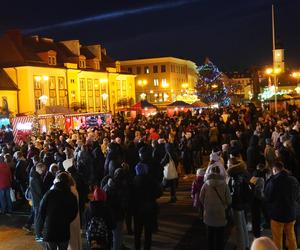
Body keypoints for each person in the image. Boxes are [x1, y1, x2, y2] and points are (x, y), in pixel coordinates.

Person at [36, 172, 78, 250]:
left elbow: (41, 211)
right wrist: (66, 220)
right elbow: (74, 213)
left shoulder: (49, 193)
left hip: (50, 229)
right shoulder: (71, 196)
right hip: (64, 230)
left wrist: (41, 226)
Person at [265, 161, 300, 250]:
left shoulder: (273, 181)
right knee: (291, 237)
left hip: (277, 215)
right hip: (291, 213)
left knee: (277, 239)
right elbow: (296, 196)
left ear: (275, 169)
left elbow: (268, 197)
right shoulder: (294, 180)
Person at [200, 165, 231, 250]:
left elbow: (201, 197)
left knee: (210, 235)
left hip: (208, 213)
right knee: (220, 236)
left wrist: (206, 205)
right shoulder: (224, 184)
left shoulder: (206, 184)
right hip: (220, 212)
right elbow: (229, 200)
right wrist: (225, 206)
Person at [132, 156, 160, 250]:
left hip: (137, 210)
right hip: (149, 209)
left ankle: (137, 248)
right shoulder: (151, 180)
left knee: (137, 233)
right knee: (148, 233)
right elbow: (158, 192)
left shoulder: (134, 181)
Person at [227, 150, 251, 250]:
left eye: (228, 163)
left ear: (232, 165)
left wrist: (230, 199)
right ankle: (246, 244)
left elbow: (235, 192)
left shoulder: (234, 176)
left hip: (237, 203)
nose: (227, 165)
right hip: (244, 202)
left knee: (239, 226)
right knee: (243, 224)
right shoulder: (243, 172)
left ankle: (241, 246)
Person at [30, 162, 47, 241]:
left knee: (37, 218)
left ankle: (38, 233)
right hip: (38, 201)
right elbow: (40, 191)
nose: (44, 171)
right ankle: (38, 235)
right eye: (43, 169)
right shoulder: (36, 178)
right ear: (39, 169)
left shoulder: (35, 177)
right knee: (38, 218)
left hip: (36, 201)